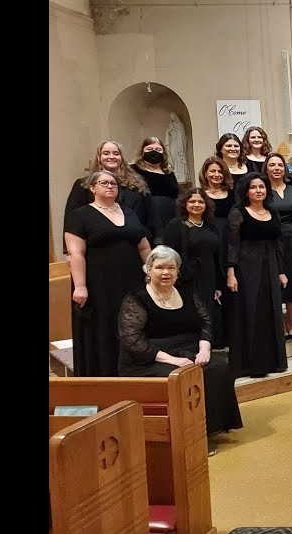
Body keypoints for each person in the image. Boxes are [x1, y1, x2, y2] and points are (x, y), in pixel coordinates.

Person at [117, 246, 242, 442]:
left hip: (187, 351)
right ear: (148, 270)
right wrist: (172, 360)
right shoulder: (136, 298)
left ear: (177, 271)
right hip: (148, 359)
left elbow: (206, 322)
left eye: (171, 268)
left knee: (219, 368)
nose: (166, 272)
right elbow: (132, 339)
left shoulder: (187, 292)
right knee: (184, 377)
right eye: (159, 267)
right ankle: (190, 436)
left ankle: (211, 428)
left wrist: (204, 348)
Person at [64, 171, 154, 376]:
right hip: (98, 283)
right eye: (104, 183)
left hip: (132, 280)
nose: (110, 186)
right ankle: (105, 375)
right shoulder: (80, 215)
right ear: (92, 188)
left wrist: (151, 273)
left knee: (132, 325)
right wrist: (80, 286)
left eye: (113, 183)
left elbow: (143, 247)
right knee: (104, 327)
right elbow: (76, 253)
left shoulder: (129, 212)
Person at [226, 173, 288, 378]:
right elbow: (232, 244)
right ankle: (250, 364)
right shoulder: (238, 212)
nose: (258, 190)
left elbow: (279, 243)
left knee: (271, 311)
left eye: (261, 187)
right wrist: (231, 272)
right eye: (253, 187)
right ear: (246, 191)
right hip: (247, 267)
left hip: (270, 265)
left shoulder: (272, 211)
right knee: (250, 312)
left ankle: (272, 361)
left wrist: (281, 271)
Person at [161, 189, 226, 347]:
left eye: (200, 202)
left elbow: (217, 256)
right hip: (185, 279)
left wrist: (218, 285)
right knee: (190, 313)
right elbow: (168, 254)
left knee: (207, 313)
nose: (196, 205)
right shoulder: (175, 225)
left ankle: (206, 347)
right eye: (192, 201)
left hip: (208, 277)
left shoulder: (211, 226)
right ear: (185, 204)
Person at [63, 141, 152, 247]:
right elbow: (71, 219)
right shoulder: (84, 184)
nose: (111, 157)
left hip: (133, 243)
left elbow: (147, 216)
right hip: (97, 244)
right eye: (106, 153)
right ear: (98, 157)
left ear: (121, 158)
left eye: (116, 153)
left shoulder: (137, 185)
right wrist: (68, 249)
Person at [264, 153, 292, 340]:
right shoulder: (263, 190)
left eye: (280, 165)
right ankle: (278, 324)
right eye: (272, 165)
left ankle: (291, 323)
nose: (276, 168)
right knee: (275, 280)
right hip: (272, 238)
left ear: (285, 169)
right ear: (266, 168)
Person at [132, 136, 180, 240]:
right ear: (142, 152)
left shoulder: (169, 172)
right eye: (149, 149)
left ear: (163, 153)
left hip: (170, 216)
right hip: (147, 216)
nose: (154, 152)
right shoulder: (134, 170)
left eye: (158, 149)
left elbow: (175, 194)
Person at [199, 156, 235, 225]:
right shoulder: (200, 195)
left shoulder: (233, 194)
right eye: (212, 171)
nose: (217, 175)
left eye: (220, 171)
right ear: (205, 174)